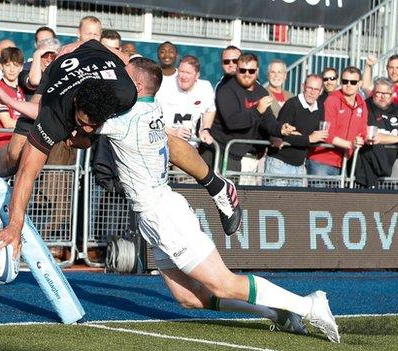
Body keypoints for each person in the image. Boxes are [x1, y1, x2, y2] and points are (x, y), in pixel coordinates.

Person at [98, 57, 339, 343]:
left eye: (125, 76)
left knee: (224, 284)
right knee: (189, 298)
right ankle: (280, 314)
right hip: (153, 212)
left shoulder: (126, 117)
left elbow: (78, 119)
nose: (119, 81)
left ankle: (309, 305)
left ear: (137, 85)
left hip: (161, 212)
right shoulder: (149, 106)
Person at [0, 39, 244, 263]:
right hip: (54, 83)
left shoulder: (125, 91)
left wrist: (125, 60)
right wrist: (15, 226)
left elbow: (120, 57)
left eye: (93, 126)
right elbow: (27, 174)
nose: (86, 128)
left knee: (155, 133)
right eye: (83, 123)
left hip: (97, 69)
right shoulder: (54, 114)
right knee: (15, 156)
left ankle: (217, 186)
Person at [213, 53, 296, 186]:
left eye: (251, 70)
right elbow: (232, 122)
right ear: (237, 70)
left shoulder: (261, 92)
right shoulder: (226, 90)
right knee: (227, 197)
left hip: (251, 155)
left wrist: (280, 129)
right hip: (227, 154)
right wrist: (258, 110)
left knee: (247, 199)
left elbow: (268, 120)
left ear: (257, 71)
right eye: (242, 70)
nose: (247, 74)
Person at [265, 74, 327, 187]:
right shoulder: (292, 104)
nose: (312, 92)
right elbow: (281, 133)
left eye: (316, 89)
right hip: (280, 163)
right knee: (273, 203)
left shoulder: (320, 107)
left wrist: (304, 137)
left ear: (321, 91)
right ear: (303, 86)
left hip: (299, 166)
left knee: (294, 204)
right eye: (310, 88)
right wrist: (308, 138)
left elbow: (318, 137)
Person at [307, 67, 367, 182]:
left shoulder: (361, 103)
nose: (348, 85)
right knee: (317, 199)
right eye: (345, 81)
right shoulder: (332, 100)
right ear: (340, 82)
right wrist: (350, 144)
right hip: (321, 160)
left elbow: (363, 132)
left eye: (353, 82)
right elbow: (327, 134)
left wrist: (363, 140)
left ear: (360, 83)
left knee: (337, 200)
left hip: (343, 161)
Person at [355, 77, 398, 187]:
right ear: (373, 92)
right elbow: (372, 136)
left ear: (392, 94)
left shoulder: (397, 109)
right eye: (378, 93)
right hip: (369, 167)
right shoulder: (366, 106)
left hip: (390, 167)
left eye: (386, 94)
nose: (382, 97)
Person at [155, 55, 215, 150]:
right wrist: (173, 132)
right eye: (181, 72)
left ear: (197, 75)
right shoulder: (165, 86)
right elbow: (152, 119)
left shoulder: (205, 87)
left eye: (188, 73)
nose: (183, 76)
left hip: (190, 146)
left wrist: (205, 130)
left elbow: (210, 110)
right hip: (164, 143)